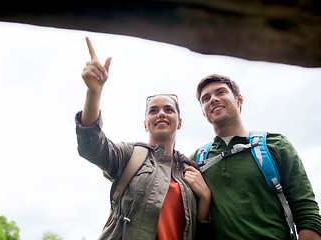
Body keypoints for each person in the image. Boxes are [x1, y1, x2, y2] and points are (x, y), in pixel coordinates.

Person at [75, 37, 211, 240]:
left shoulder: (190, 171)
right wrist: (94, 92)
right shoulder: (130, 155)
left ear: (179, 122)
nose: (161, 114)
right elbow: (92, 146)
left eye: (169, 110)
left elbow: (201, 231)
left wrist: (206, 198)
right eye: (153, 110)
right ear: (145, 122)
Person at [190, 74, 321, 240]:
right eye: (206, 98)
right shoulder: (196, 160)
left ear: (239, 100)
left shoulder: (275, 145)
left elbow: (307, 212)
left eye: (221, 92)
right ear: (203, 112)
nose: (213, 99)